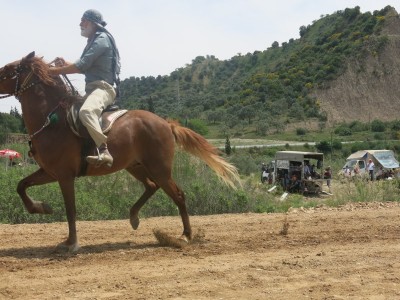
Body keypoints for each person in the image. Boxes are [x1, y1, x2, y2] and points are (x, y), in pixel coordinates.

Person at [49, 9, 121, 167]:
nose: (80, 24)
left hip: (103, 88)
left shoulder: (101, 39)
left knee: (86, 111)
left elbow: (81, 66)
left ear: (93, 23)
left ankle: (104, 150)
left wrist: (52, 71)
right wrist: (65, 63)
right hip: (92, 89)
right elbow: (85, 66)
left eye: (84, 21)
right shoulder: (94, 40)